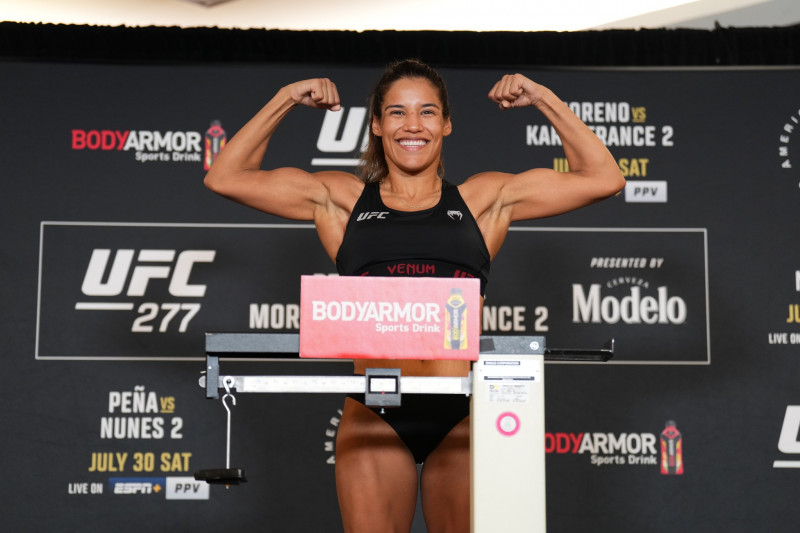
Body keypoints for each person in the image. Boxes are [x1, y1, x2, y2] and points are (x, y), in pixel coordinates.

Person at [204, 59, 625, 533]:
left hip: (460, 411)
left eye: (427, 112)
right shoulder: (342, 200)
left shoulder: (482, 200)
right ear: (377, 125)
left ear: (446, 124)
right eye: (397, 112)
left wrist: (543, 98)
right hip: (375, 415)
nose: (413, 125)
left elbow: (604, 178)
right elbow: (225, 177)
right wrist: (286, 97)